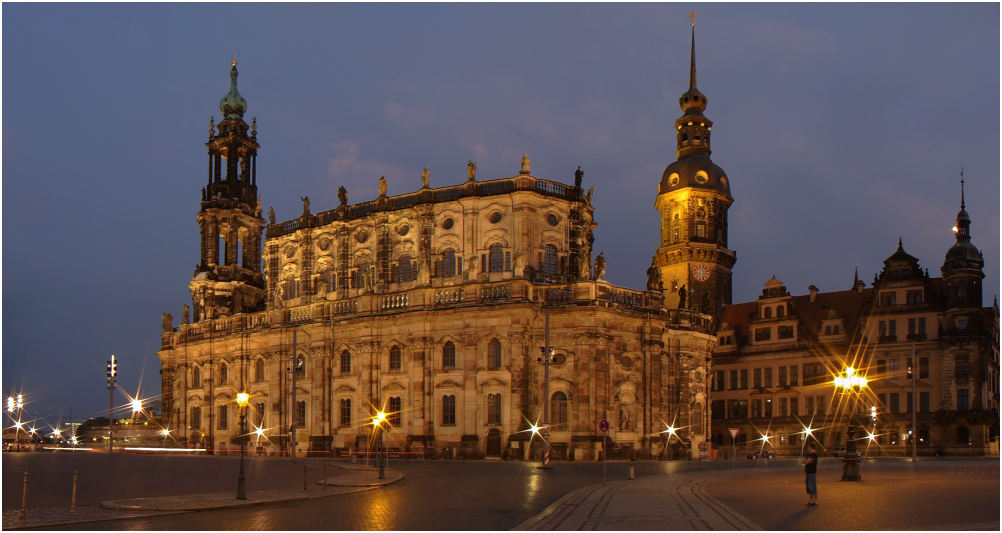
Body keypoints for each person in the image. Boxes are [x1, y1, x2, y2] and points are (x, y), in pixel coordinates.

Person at [803, 442, 819, 507]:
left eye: (809, 447)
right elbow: (803, 461)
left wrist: (806, 461)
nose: (808, 448)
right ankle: (811, 501)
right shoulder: (809, 455)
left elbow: (806, 461)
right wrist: (806, 461)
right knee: (809, 488)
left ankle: (815, 502)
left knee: (813, 488)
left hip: (812, 473)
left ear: (811, 447)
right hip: (808, 472)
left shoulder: (814, 455)